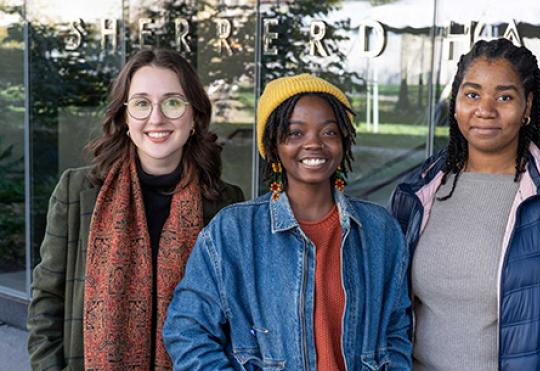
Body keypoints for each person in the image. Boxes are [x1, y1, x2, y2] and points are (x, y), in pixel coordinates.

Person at [390, 39, 540, 371]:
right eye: (472, 94)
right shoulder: (417, 191)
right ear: (455, 104)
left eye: (504, 97)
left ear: (527, 107)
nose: (485, 109)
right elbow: (391, 311)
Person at [163, 73, 413, 370]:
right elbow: (187, 331)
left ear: (344, 141)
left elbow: (396, 331)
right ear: (273, 146)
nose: (314, 144)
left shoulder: (379, 230)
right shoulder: (234, 231)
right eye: (295, 133)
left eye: (329, 132)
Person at [27, 49, 245, 370]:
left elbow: (233, 314)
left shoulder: (226, 203)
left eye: (172, 102)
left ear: (195, 117)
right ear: (125, 117)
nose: (156, 118)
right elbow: (47, 301)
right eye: (141, 103)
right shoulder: (77, 192)